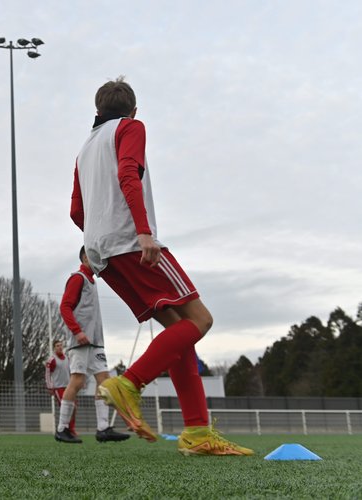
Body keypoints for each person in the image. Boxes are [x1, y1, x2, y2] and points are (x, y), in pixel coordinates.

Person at [71, 77, 252, 456]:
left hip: (102, 251)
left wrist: (101, 235)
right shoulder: (131, 128)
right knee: (201, 320)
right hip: (132, 242)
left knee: (179, 332)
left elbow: (76, 211)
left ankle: (198, 433)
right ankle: (129, 383)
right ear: (133, 111)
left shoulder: (85, 149)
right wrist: (143, 232)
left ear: (97, 112)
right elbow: (127, 174)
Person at [54, 248, 130, 444]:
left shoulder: (92, 281)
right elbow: (65, 306)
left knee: (104, 381)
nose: (100, 261)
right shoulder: (77, 278)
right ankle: (62, 429)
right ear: (85, 257)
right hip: (80, 342)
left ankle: (103, 428)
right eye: (95, 256)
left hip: (96, 343)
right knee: (77, 381)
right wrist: (77, 331)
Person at [44, 339, 77, 440]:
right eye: (57, 345)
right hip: (59, 388)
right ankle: (64, 430)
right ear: (54, 348)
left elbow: (72, 371)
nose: (60, 347)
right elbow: (48, 374)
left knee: (74, 408)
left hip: (69, 387)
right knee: (65, 408)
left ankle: (71, 429)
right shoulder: (52, 360)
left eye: (61, 345)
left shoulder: (67, 358)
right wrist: (50, 387)